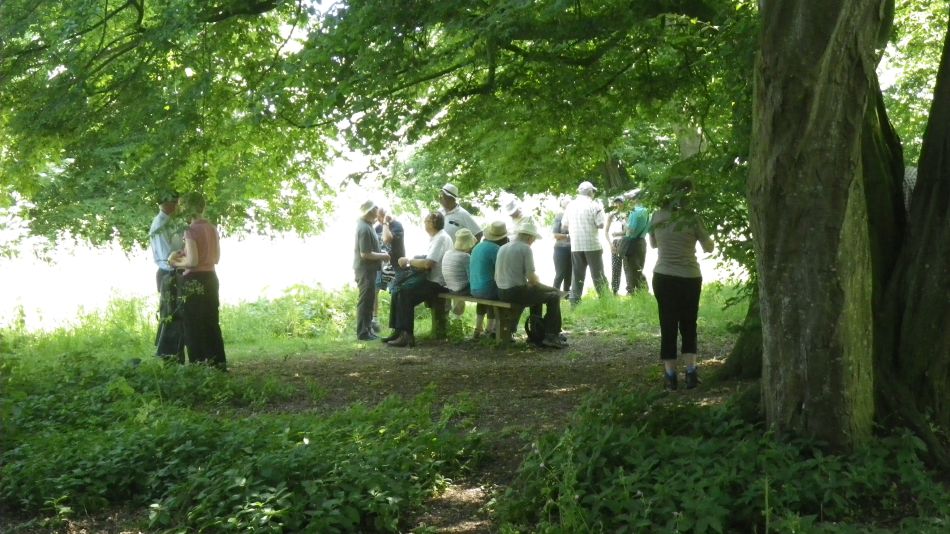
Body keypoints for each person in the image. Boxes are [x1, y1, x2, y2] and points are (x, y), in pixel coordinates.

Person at [649, 179, 714, 390]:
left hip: (663, 275)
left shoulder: (656, 217)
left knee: (667, 324)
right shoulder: (692, 218)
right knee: (689, 323)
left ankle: (670, 377)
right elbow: (709, 247)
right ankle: (691, 373)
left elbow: (653, 244)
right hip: (689, 277)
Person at [169, 192, 227, 370]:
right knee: (211, 322)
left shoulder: (190, 230)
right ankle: (218, 363)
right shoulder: (212, 228)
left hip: (194, 281)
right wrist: (185, 255)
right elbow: (216, 258)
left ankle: (198, 366)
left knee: (192, 324)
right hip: (211, 278)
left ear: (187, 208)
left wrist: (174, 262)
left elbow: (193, 262)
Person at [382, 211, 453, 347]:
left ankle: (406, 335)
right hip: (431, 279)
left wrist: (409, 261)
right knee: (397, 289)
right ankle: (397, 331)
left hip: (438, 283)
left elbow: (428, 264)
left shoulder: (441, 238)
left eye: (426, 220)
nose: (424, 223)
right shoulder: (436, 237)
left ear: (434, 223)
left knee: (404, 292)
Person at [495, 219, 566, 348]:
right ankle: (551, 335)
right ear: (529, 238)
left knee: (536, 295)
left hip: (501, 291)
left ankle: (535, 333)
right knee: (554, 296)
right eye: (533, 240)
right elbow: (532, 280)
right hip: (514, 292)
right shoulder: (525, 248)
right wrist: (553, 289)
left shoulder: (503, 247)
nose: (533, 242)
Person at [150, 191, 186, 362]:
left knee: (177, 316)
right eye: (176, 202)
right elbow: (168, 258)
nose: (178, 206)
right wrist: (186, 255)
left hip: (176, 272)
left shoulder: (171, 222)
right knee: (172, 315)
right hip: (169, 274)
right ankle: (170, 359)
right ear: (168, 204)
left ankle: (175, 358)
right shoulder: (160, 225)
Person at [564, 180, 608, 306]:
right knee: (598, 275)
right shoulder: (595, 205)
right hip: (592, 245)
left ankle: (574, 302)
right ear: (590, 192)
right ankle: (605, 300)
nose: (594, 193)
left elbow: (564, 224)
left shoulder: (570, 206)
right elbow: (601, 225)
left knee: (577, 275)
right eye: (593, 191)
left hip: (576, 245)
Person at [354, 201, 391, 341]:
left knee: (369, 300)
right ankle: (363, 333)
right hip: (365, 270)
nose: (378, 210)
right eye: (375, 208)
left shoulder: (368, 225)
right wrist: (383, 256)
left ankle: (368, 330)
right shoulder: (364, 228)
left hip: (370, 270)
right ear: (370, 211)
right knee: (365, 301)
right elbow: (365, 254)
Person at [469, 221, 509, 338]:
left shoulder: (477, 247)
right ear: (503, 238)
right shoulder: (496, 249)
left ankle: (478, 328)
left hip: (474, 289)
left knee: (482, 299)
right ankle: (491, 330)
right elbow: (502, 272)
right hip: (487, 291)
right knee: (502, 293)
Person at [372, 206, 404, 332]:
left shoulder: (397, 226)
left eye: (380, 217)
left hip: (395, 265)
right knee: (374, 290)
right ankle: (374, 321)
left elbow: (386, 239)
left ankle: (396, 325)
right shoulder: (377, 228)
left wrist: (385, 223)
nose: (378, 220)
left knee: (396, 292)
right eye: (377, 217)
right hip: (380, 265)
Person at [605, 196, 636, 295]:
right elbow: (606, 231)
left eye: (620, 202)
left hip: (625, 242)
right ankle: (615, 290)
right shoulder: (611, 216)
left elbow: (629, 231)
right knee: (615, 267)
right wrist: (610, 244)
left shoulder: (628, 214)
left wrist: (618, 233)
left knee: (628, 267)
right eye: (616, 202)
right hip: (615, 243)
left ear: (623, 203)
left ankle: (630, 290)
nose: (618, 204)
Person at [624, 189, 650, 292]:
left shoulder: (635, 211)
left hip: (632, 243)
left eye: (630, 199)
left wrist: (624, 223)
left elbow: (631, 230)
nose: (629, 201)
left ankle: (642, 291)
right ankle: (640, 291)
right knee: (639, 267)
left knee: (632, 269)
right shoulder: (647, 210)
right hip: (642, 242)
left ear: (636, 199)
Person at [551, 197, 572, 296]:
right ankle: (554, 295)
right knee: (560, 273)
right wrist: (568, 236)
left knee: (570, 273)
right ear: (561, 204)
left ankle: (567, 295)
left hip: (572, 248)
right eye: (565, 201)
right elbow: (555, 235)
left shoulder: (574, 215)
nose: (568, 202)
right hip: (560, 248)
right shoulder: (559, 215)